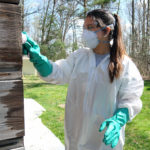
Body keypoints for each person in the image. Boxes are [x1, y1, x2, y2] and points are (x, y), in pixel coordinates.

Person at [22, 9, 144, 150]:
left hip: (104, 139)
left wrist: (117, 121)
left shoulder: (125, 64)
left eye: (90, 27)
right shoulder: (79, 56)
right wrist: (38, 58)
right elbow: (57, 73)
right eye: (84, 27)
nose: (85, 32)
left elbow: (131, 99)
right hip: (75, 137)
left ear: (106, 31)